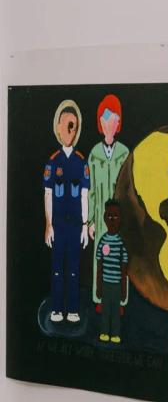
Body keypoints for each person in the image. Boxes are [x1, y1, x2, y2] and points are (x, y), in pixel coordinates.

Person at [43, 100, 89, 324]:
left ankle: (72, 309)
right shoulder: (53, 162)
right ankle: (56, 309)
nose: (70, 130)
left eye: (74, 125)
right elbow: (48, 194)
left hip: (75, 225)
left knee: (73, 269)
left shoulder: (81, 162)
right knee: (57, 268)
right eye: (66, 125)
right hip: (58, 224)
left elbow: (84, 195)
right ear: (58, 127)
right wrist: (48, 225)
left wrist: (85, 225)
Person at [86, 93, 129, 311]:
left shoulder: (125, 153)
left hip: (119, 216)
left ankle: (121, 301)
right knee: (101, 256)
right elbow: (91, 190)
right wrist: (90, 221)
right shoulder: (94, 154)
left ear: (118, 123)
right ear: (100, 124)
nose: (108, 124)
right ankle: (100, 298)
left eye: (112, 119)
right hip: (101, 214)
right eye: (104, 119)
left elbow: (128, 189)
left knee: (120, 257)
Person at [95, 199, 128, 345]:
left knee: (116, 311)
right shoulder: (103, 241)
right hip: (105, 284)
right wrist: (98, 286)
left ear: (120, 218)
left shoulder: (121, 243)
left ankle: (115, 334)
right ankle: (104, 332)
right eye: (109, 216)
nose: (112, 220)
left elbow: (124, 268)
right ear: (105, 218)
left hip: (117, 284)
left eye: (115, 216)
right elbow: (99, 265)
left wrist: (123, 289)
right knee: (105, 310)